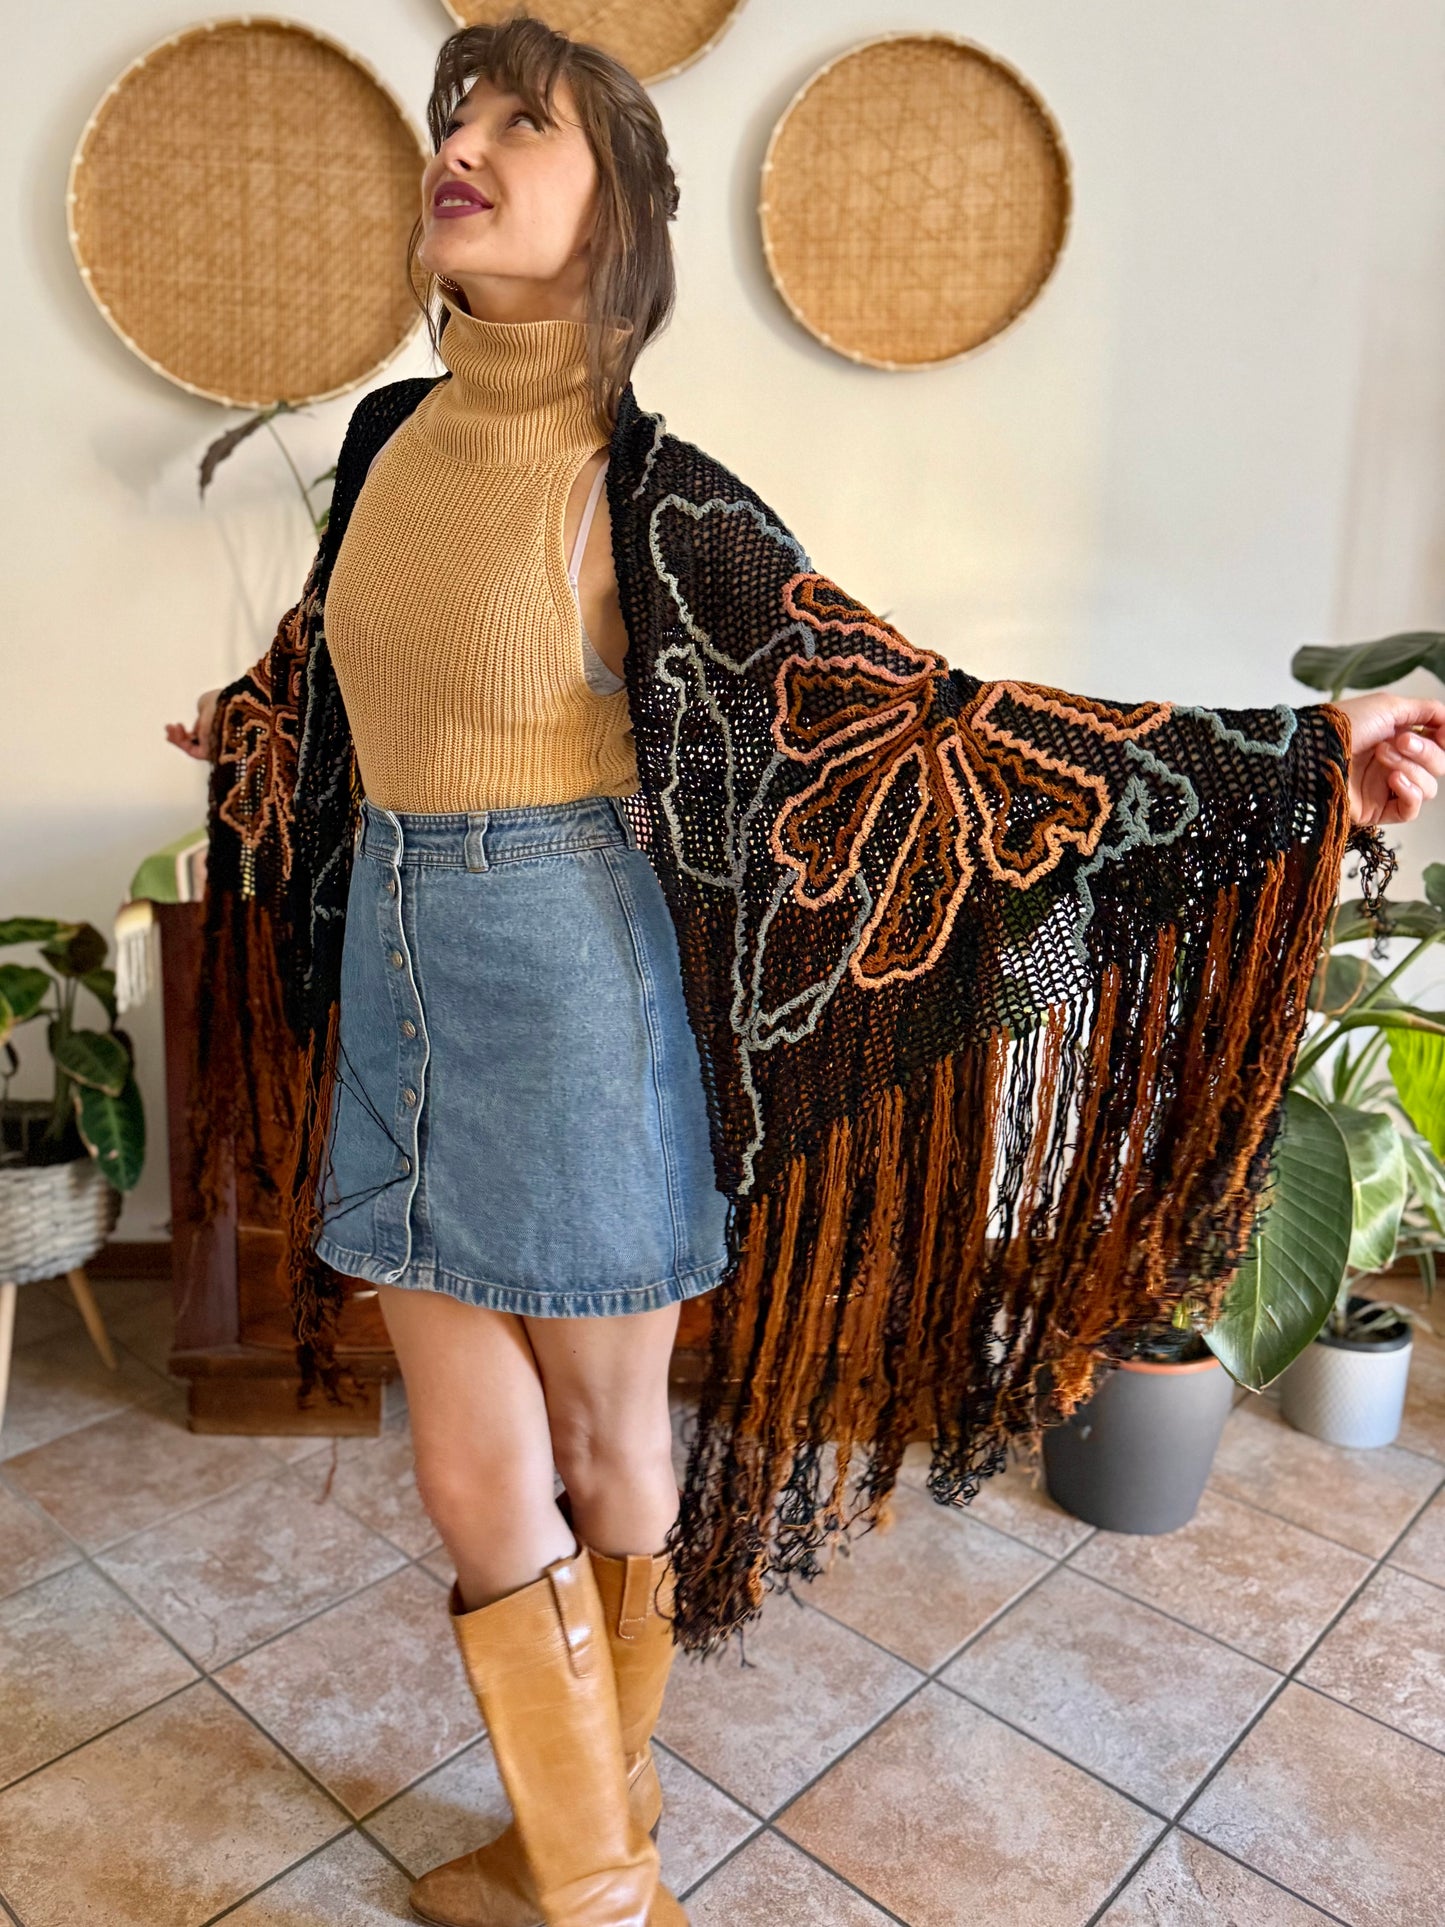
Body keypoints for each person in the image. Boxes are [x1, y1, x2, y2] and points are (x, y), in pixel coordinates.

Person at [167, 18, 1445, 1927]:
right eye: (455, 115)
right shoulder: (379, 441)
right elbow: (345, 662)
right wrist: (255, 724)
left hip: (583, 986)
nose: (465, 142)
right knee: (462, 1454)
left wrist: (1294, 767)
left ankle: (584, 1873)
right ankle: (592, 1861)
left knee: (607, 1437)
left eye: (524, 121)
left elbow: (924, 726)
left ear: (618, 225)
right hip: (401, 973)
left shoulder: (662, 496)